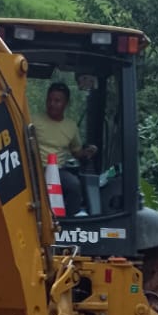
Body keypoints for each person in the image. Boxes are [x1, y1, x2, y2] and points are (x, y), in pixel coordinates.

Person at [34, 82, 96, 216]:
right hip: (35, 168)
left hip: (57, 170)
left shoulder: (71, 126)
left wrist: (87, 153)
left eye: (57, 101)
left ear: (66, 103)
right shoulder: (34, 120)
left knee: (74, 185)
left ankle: (69, 221)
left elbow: (76, 152)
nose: (52, 104)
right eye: (49, 100)